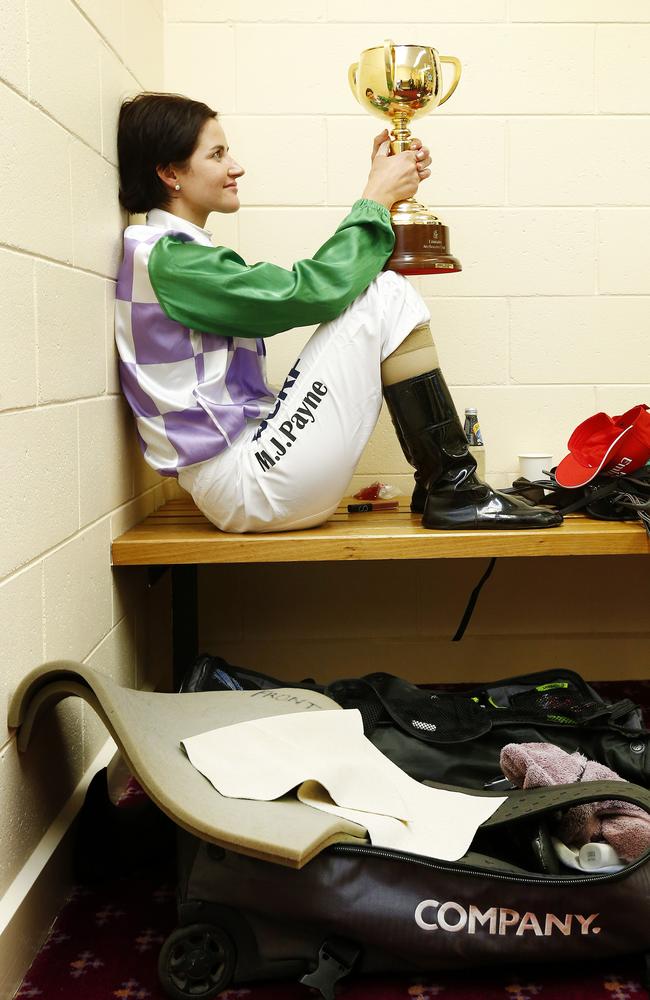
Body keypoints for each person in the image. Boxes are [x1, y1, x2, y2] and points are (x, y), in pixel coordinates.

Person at [115, 92, 561, 533]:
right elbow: (309, 294)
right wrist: (376, 197)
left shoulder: (172, 254)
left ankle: (444, 482)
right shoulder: (167, 259)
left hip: (249, 473)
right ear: (170, 171)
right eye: (217, 154)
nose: (236, 166)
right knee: (386, 293)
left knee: (383, 292)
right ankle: (454, 488)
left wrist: (379, 191)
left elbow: (316, 289)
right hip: (246, 484)